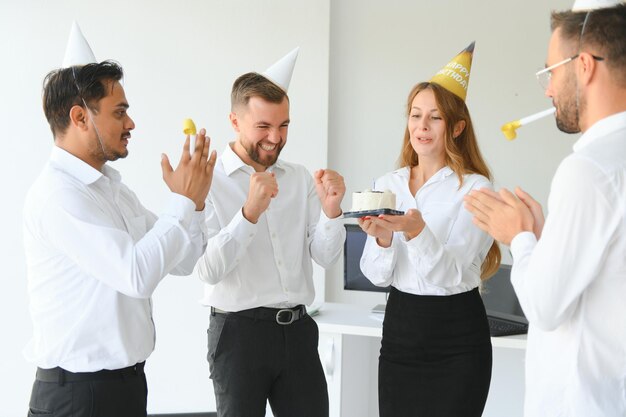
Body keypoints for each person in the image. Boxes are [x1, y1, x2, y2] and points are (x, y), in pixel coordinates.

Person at [23, 23, 216, 417]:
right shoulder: (60, 196)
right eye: (120, 112)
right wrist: (181, 202)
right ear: (80, 117)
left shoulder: (111, 188)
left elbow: (181, 261)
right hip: (79, 398)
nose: (131, 124)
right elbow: (136, 275)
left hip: (123, 388)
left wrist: (193, 205)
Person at [463, 3, 626, 416]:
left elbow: (545, 307)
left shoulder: (586, 170)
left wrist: (518, 236)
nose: (549, 89)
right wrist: (544, 240)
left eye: (551, 72)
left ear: (584, 66)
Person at [194, 49, 346, 417]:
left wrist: (332, 211)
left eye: (284, 126)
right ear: (235, 120)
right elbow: (208, 271)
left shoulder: (298, 178)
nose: (275, 138)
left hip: (297, 331)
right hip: (238, 334)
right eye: (263, 126)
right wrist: (249, 213)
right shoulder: (207, 180)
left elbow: (325, 257)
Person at [358, 42, 501, 417]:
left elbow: (449, 275)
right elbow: (375, 275)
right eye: (415, 115)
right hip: (401, 330)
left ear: (456, 126)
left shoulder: (477, 189)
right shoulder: (388, 183)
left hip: (457, 337)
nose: (421, 127)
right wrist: (384, 238)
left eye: (434, 118)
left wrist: (417, 231)